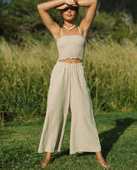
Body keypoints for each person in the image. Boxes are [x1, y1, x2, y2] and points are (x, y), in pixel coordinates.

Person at [37, 0, 110, 168]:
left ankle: (99, 155)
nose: (69, 11)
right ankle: (48, 156)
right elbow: (40, 8)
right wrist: (63, 1)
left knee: (85, 111)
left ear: (76, 12)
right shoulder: (57, 30)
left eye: (72, 9)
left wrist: (73, 1)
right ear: (60, 12)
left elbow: (93, 3)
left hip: (78, 71)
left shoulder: (82, 28)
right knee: (55, 111)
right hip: (60, 72)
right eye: (66, 9)